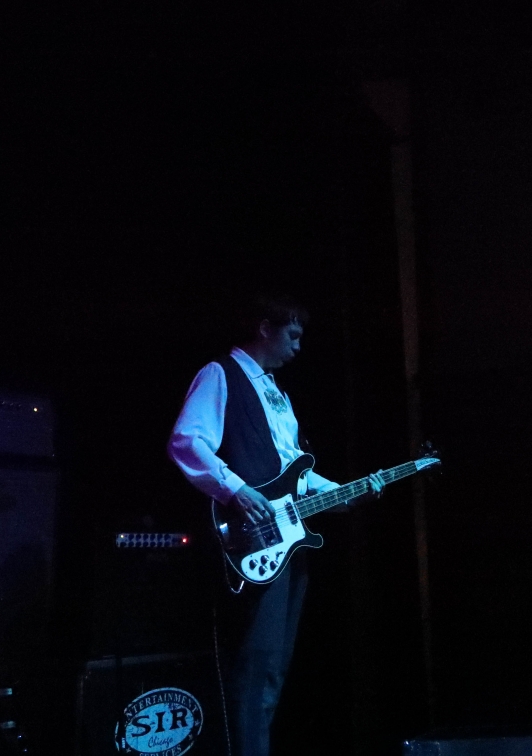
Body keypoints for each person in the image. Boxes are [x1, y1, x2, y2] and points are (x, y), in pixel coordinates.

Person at [167, 294, 383, 756]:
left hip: (287, 541)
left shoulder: (278, 394)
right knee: (256, 665)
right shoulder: (221, 373)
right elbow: (187, 440)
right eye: (293, 335)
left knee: (274, 670)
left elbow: (294, 469)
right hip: (251, 539)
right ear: (265, 328)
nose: (298, 347)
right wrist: (236, 490)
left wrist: (344, 492)